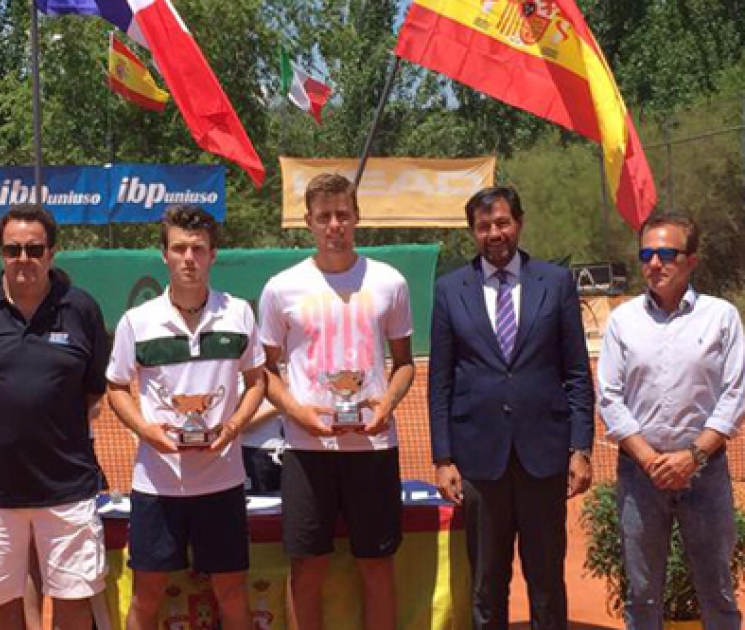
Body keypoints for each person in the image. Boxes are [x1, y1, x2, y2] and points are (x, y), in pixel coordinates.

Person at [0, 203, 109, 630]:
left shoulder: (81, 310)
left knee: (73, 602)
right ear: (0, 254)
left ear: (52, 252)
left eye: (34, 249)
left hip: (67, 489)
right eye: (13, 250)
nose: (23, 260)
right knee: (1, 607)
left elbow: (95, 390)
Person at [429, 185, 594, 630]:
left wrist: (580, 446)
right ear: (473, 233)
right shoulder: (449, 290)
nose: (494, 232)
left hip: (544, 456)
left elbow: (577, 372)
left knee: (546, 583)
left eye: (502, 222)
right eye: (484, 226)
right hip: (479, 460)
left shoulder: (555, 283)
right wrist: (443, 457)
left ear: (518, 223)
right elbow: (440, 379)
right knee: (486, 585)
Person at [258, 173, 415, 630]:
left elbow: (404, 363)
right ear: (308, 221)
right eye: (324, 216)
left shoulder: (390, 282)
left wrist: (385, 406)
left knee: (377, 563)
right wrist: (298, 413)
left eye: (342, 215)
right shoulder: (280, 288)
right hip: (308, 452)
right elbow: (265, 371)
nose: (334, 225)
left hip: (374, 448)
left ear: (357, 218)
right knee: (308, 566)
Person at [107, 205, 265, 630]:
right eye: (179, 248)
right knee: (147, 594)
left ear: (213, 254)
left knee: (231, 591)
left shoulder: (239, 314)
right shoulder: (136, 322)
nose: (188, 258)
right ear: (164, 255)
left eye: (198, 248)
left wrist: (233, 427)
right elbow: (117, 388)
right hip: (157, 483)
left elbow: (257, 381)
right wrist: (147, 431)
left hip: (223, 481)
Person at [597, 210, 744, 629]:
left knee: (717, 591)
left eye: (667, 253)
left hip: (705, 475)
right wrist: (648, 459)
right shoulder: (623, 321)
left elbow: (735, 393)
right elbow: (608, 396)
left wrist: (691, 457)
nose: (655, 263)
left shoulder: (721, 317)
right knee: (641, 596)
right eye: (647, 253)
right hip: (639, 478)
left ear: (691, 260)